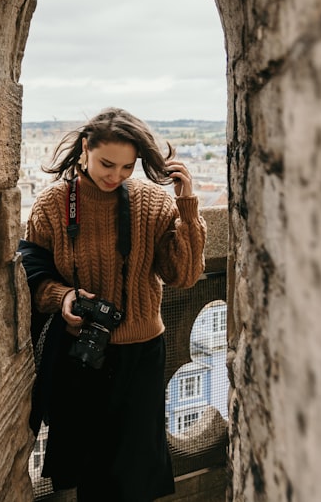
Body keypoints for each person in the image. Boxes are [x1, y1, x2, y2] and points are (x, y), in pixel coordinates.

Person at [19, 107, 206, 501]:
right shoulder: (53, 204)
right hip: (80, 355)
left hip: (140, 358)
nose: (115, 176)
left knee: (136, 474)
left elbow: (185, 276)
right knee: (85, 473)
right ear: (85, 148)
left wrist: (186, 203)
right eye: (107, 163)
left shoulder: (153, 203)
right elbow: (33, 277)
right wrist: (64, 296)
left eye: (127, 167)